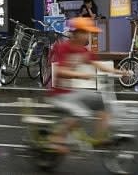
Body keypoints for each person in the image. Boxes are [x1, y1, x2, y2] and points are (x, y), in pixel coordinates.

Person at [47, 17, 126, 151]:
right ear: (77, 33)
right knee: (80, 112)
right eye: (85, 33)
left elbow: (99, 65)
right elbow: (59, 72)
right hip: (59, 95)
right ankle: (56, 140)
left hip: (72, 93)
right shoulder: (62, 48)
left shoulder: (83, 51)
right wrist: (80, 75)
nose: (88, 36)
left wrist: (120, 72)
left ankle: (101, 138)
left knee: (100, 101)